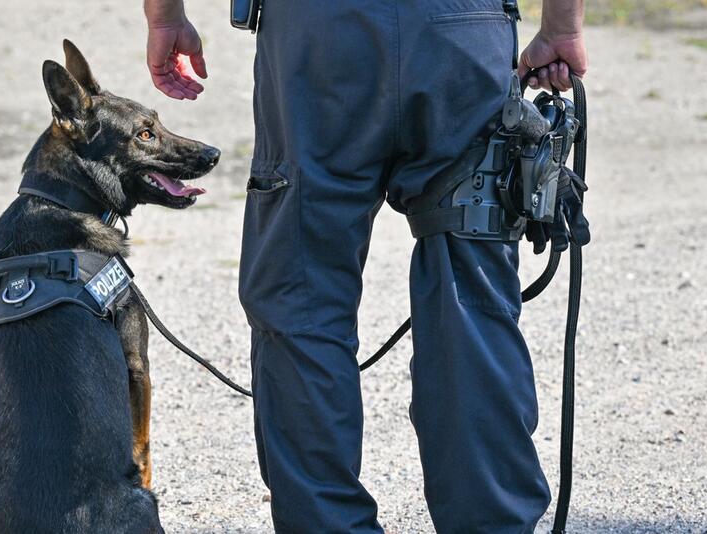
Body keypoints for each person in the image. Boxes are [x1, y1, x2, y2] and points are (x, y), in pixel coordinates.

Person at [142, 0, 587, 532]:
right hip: (461, 33)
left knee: (302, 296)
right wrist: (563, 25)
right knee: (470, 297)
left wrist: (165, 16)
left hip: (319, 39)